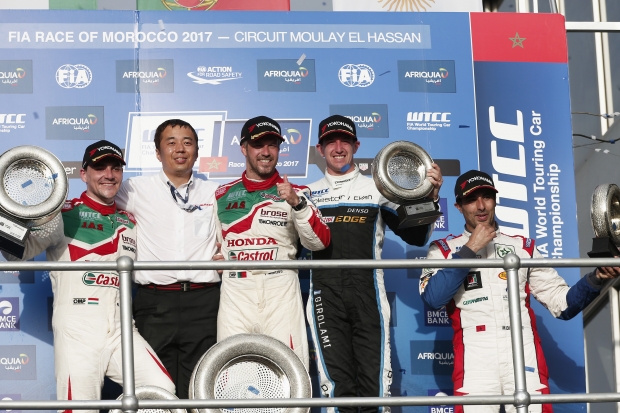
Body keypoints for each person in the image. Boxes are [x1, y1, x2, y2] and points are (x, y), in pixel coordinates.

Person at [419, 170, 620, 413]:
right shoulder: (443, 249)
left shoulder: (522, 246)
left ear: (495, 200)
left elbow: (562, 304)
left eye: (487, 197)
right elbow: (434, 298)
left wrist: (596, 278)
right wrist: (470, 249)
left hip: (523, 352)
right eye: (471, 200)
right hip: (475, 358)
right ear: (458, 206)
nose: (481, 206)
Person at [3, 140, 175, 409]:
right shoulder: (61, 215)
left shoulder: (130, 221)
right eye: (100, 167)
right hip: (78, 330)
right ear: (84, 174)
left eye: (116, 168)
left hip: (122, 328)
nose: (109, 174)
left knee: (162, 391)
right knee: (80, 409)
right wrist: (6, 216)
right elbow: (18, 254)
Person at [306, 115, 443, 413]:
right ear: (320, 149)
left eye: (345, 141)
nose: (338, 148)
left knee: (374, 390)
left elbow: (417, 236)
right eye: (331, 142)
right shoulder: (307, 194)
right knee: (337, 390)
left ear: (356, 146)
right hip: (324, 298)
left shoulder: (378, 190)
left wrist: (432, 195)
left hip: (368, 295)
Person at [115, 119, 220, 399]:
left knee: (200, 389)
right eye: (171, 142)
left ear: (197, 151)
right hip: (154, 304)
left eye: (187, 142)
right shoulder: (134, 189)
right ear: (158, 153)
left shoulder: (215, 192)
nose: (180, 149)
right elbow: (99, 203)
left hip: (204, 303)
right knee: (155, 391)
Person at [214, 115, 330, 369]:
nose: (266, 152)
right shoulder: (221, 194)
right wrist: (218, 257)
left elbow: (320, 242)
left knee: (290, 371)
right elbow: (212, 244)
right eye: (258, 145)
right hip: (236, 291)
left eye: (273, 145)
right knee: (233, 371)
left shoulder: (297, 192)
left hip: (281, 289)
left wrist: (297, 204)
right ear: (244, 148)